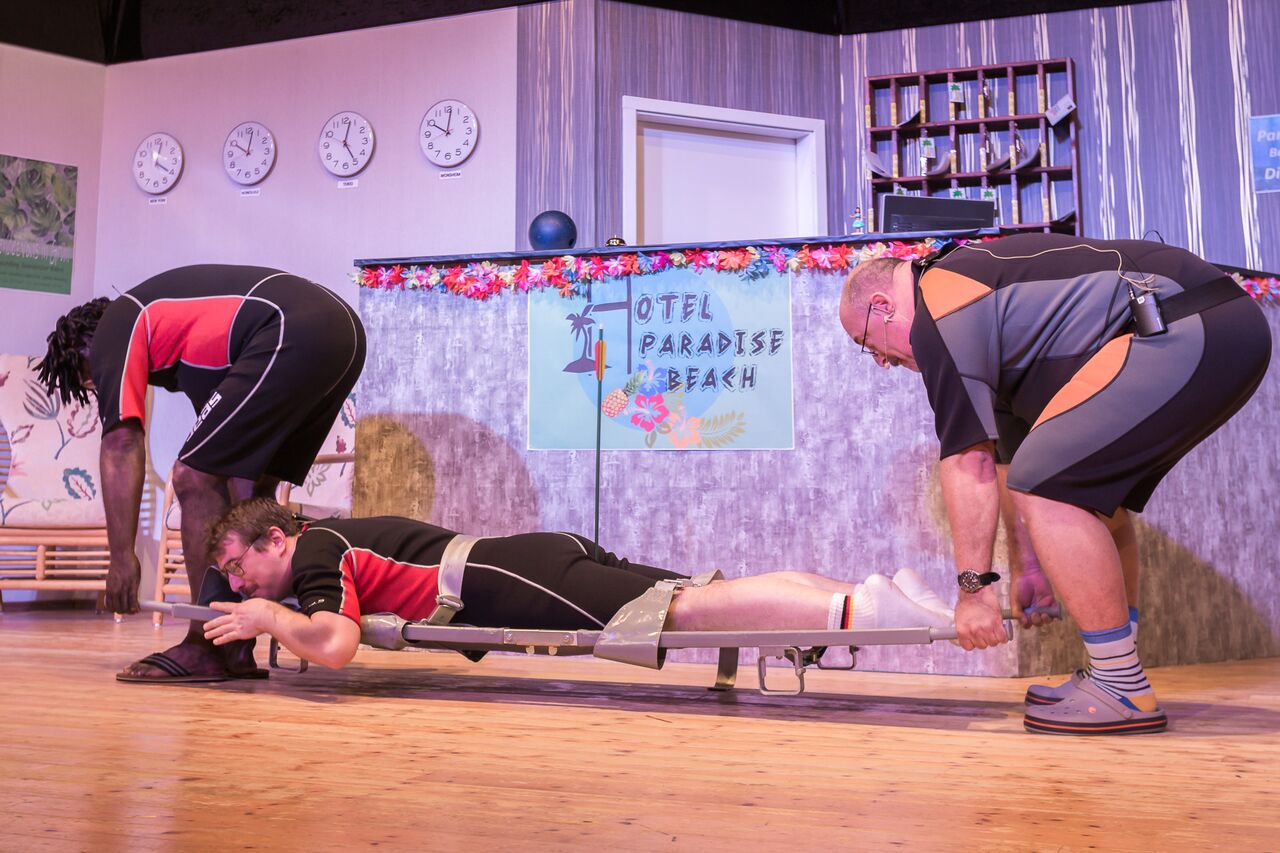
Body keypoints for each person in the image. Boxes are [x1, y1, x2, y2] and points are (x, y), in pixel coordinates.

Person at [839, 233, 1271, 735]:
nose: (881, 363)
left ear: (882, 304)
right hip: (1217, 324)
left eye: (867, 344)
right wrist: (1029, 568)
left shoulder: (940, 303)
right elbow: (1010, 462)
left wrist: (974, 593)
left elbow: (967, 463)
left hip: (1187, 319)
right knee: (1086, 499)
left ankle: (1120, 683)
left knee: (1049, 486)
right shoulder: (986, 326)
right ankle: (1113, 671)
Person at [37, 265, 366, 682]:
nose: (100, 387)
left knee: (192, 477)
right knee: (254, 490)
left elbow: (122, 443)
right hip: (342, 334)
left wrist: (121, 557)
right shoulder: (190, 344)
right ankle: (235, 644)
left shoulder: (113, 329)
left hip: (292, 327)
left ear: (86, 350)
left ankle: (203, 644)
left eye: (88, 381)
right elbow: (230, 476)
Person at [200, 498, 954, 670]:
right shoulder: (334, 533)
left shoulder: (312, 549)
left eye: (240, 566)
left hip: (502, 575)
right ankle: (869, 593)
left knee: (681, 612)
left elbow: (334, 644)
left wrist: (268, 613)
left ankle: (860, 607)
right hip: (521, 557)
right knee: (694, 593)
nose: (240, 581)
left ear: (274, 538)